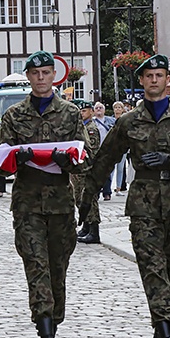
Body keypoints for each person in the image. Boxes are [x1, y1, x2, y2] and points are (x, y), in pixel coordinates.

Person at [79, 54, 170, 338]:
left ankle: (160, 330)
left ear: (167, 80)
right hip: (144, 205)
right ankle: (166, 337)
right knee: (152, 269)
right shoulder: (128, 122)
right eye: (149, 75)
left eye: (160, 75)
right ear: (141, 81)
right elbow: (105, 159)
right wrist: (87, 198)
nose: (154, 80)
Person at [0, 50, 89, 338]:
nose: (40, 78)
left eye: (45, 73)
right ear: (28, 77)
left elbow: (86, 157)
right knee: (36, 266)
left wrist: (69, 162)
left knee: (57, 270)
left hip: (61, 205)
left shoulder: (71, 114)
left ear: (54, 76)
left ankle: (53, 322)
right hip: (27, 204)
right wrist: (14, 159)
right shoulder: (13, 116)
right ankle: (45, 336)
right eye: (35, 74)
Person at [74, 100, 102, 244]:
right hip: (79, 169)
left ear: (91, 111)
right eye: (80, 111)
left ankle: (94, 231)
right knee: (79, 198)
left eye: (84, 111)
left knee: (90, 199)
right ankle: (85, 226)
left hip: (88, 169)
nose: (81, 113)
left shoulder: (91, 128)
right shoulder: (81, 127)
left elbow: (92, 150)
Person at [92, 102, 115, 200]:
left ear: (104, 110)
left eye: (101, 108)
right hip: (95, 150)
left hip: (107, 150)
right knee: (95, 173)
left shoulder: (111, 120)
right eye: (96, 108)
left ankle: (107, 192)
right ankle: (95, 193)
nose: (98, 109)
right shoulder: (91, 122)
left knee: (107, 172)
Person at [111, 101, 128, 194]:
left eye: (119, 107)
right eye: (116, 107)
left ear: (122, 109)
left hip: (122, 147)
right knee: (111, 168)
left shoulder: (125, 120)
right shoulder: (109, 120)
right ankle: (108, 188)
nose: (117, 109)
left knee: (121, 168)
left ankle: (118, 187)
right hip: (112, 147)